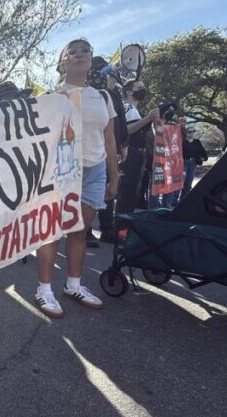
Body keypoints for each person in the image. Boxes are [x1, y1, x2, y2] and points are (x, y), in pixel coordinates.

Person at [33, 39, 118, 319]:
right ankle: (44, 290)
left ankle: (74, 285)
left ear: (91, 60)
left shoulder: (103, 97)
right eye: (72, 52)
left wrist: (113, 176)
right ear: (62, 63)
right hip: (62, 172)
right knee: (52, 232)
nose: (79, 56)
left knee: (80, 231)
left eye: (85, 52)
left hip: (94, 172)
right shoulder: (51, 97)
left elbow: (109, 139)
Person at [86, 56, 128, 246]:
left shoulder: (111, 96)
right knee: (88, 192)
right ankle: (85, 230)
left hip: (110, 149)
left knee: (109, 188)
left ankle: (107, 228)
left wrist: (122, 145)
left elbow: (119, 124)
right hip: (90, 150)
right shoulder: (86, 95)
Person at [115, 79, 159, 217]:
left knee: (134, 191)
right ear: (129, 91)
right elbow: (126, 130)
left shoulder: (134, 110)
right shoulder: (127, 107)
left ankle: (125, 222)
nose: (143, 90)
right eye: (139, 87)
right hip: (131, 153)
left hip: (138, 154)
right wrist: (147, 118)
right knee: (127, 191)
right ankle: (121, 224)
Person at [176, 126, 207, 203]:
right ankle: (174, 201)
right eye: (189, 131)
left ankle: (183, 200)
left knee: (188, 182)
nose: (192, 133)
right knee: (180, 182)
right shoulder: (183, 142)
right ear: (186, 133)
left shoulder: (197, 141)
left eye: (193, 131)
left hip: (193, 163)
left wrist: (203, 157)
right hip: (184, 162)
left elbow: (203, 152)